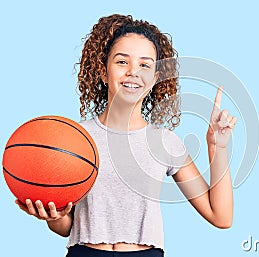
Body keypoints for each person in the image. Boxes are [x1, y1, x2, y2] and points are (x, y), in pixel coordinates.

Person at [16, 14, 237, 257]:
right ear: (102, 71)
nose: (133, 72)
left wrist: (218, 147)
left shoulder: (165, 142)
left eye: (145, 65)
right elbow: (67, 227)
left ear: (155, 78)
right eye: (122, 62)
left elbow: (221, 216)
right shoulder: (77, 138)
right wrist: (54, 216)